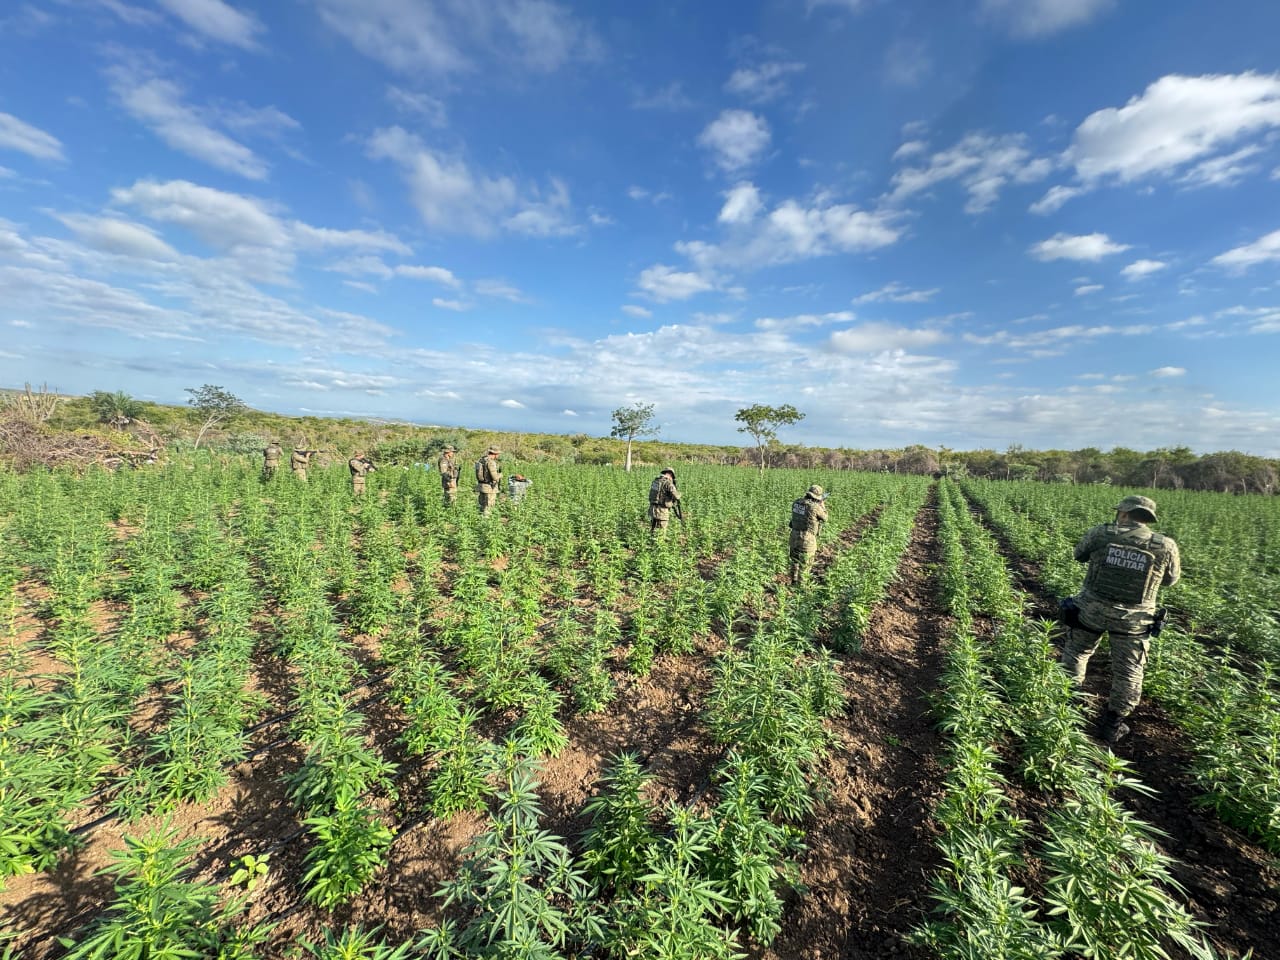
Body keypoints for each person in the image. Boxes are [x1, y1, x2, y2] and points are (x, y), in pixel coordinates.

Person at [1060, 494, 1181, 744]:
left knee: (1077, 652)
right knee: (1129, 671)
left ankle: (1068, 703)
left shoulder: (1101, 533)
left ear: (1124, 513)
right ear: (1148, 518)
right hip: (1134, 620)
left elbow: (1079, 554)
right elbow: (1171, 580)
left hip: (1092, 610)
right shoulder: (1165, 545)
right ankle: (1112, 724)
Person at [788, 484, 829, 584]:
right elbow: (825, 518)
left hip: (793, 536)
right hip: (807, 539)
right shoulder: (815, 507)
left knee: (795, 561)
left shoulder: (796, 503)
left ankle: (793, 581)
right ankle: (801, 587)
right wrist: (822, 504)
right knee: (806, 564)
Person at [648, 468, 682, 533]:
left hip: (652, 509)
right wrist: (680, 494)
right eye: (671, 476)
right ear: (669, 474)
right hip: (662, 511)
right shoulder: (668, 483)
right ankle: (659, 542)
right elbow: (676, 496)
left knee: (653, 528)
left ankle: (651, 541)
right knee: (661, 531)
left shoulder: (655, 481)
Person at [475, 446, 502, 514]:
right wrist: (500, 475)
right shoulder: (491, 462)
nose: (498, 455)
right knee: (488, 508)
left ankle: (480, 522)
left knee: (482, 506)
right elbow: (495, 477)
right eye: (498, 454)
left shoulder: (481, 460)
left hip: (481, 486)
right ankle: (486, 523)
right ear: (495, 454)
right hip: (489, 487)